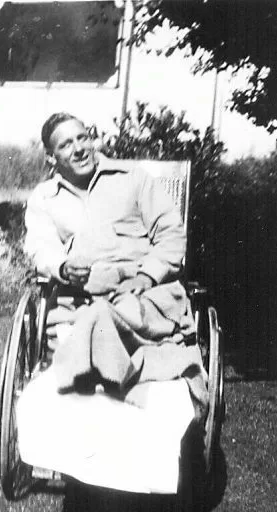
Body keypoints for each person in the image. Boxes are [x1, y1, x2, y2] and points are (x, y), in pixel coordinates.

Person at [24, 112, 207, 414]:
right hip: (80, 300)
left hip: (142, 299)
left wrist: (148, 276)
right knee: (94, 317)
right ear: (51, 157)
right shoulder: (45, 197)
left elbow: (171, 235)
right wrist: (62, 267)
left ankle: (102, 375)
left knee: (101, 320)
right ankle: (116, 379)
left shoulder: (132, 179)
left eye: (82, 137)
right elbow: (40, 247)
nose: (79, 148)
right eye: (66, 144)